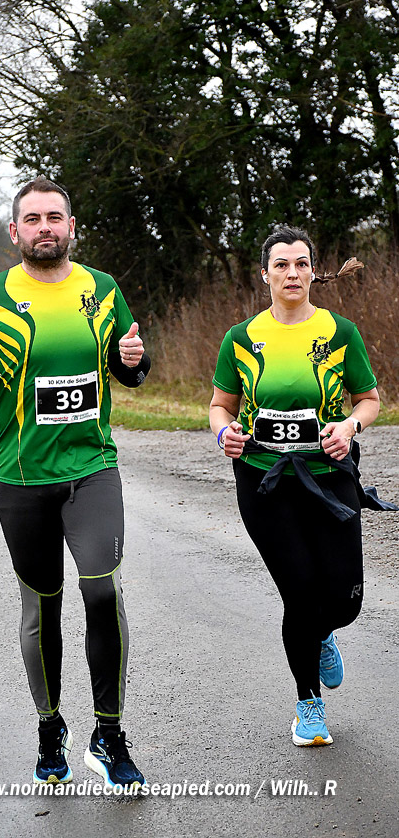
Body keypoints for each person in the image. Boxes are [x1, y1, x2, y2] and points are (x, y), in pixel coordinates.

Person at [0, 176, 151, 790]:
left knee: (103, 593)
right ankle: (49, 726)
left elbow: (132, 367)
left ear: (71, 226)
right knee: (42, 607)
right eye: (32, 219)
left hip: (92, 468)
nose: (44, 228)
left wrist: (134, 362)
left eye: (54, 217)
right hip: (23, 478)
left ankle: (109, 735)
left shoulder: (102, 290)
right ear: (15, 232)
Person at [209, 226, 396, 748]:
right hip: (264, 480)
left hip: (330, 475)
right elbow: (220, 406)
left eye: (301, 263)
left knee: (344, 600)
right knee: (300, 593)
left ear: (313, 271)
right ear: (264, 274)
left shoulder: (340, 331)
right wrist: (225, 434)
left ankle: (325, 631)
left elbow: (369, 400)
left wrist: (349, 426)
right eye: (282, 265)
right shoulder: (241, 337)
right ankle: (308, 705)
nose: (292, 273)